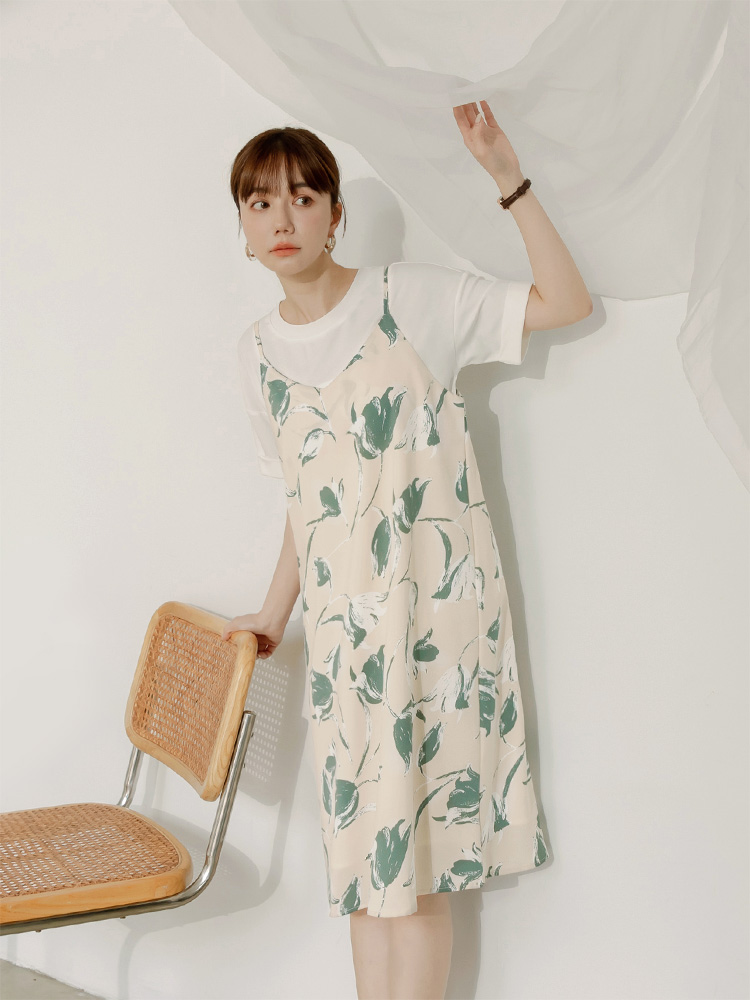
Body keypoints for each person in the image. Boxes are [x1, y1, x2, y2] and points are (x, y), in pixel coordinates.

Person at [222, 101, 593, 1000]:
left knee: (415, 866)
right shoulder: (257, 356)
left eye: (303, 198)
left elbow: (565, 302)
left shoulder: (410, 299)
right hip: (344, 646)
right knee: (366, 864)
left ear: (335, 215)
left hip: (432, 628)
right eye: (261, 202)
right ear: (242, 225)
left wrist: (508, 178)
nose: (282, 218)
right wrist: (273, 614)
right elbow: (306, 499)